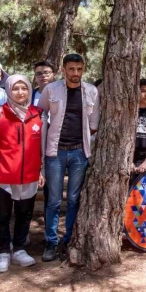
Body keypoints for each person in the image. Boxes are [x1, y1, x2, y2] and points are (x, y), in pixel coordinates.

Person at [39, 53, 100, 262]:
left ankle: (68, 240)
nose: (75, 73)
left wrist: (80, 140)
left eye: (79, 69)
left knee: (74, 199)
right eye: (71, 69)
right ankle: (50, 242)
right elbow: (40, 115)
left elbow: (94, 123)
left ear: (83, 69)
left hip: (79, 152)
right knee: (54, 200)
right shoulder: (51, 90)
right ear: (64, 69)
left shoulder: (91, 91)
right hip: (55, 152)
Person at [0, 75, 44, 273]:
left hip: (29, 175)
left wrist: (41, 170)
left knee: (24, 213)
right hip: (3, 176)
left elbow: (41, 146)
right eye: (16, 88)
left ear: (29, 90)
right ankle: (3, 251)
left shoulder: (38, 114)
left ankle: (19, 249)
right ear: (8, 90)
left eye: (24, 88)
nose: (20, 92)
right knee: (1, 215)